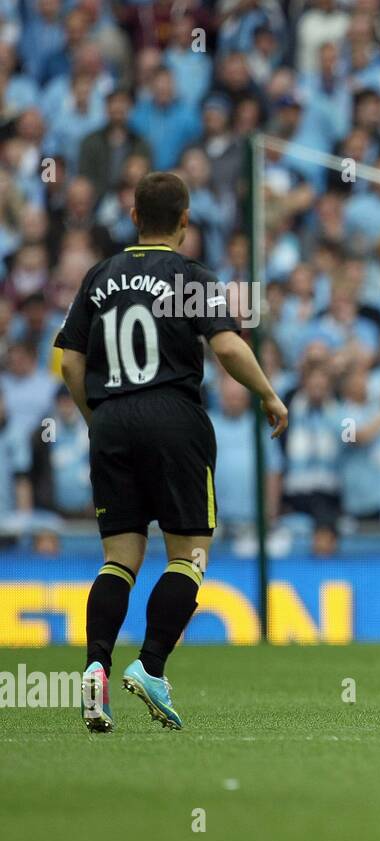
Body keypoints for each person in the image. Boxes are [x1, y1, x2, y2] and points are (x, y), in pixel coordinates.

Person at [56, 171, 288, 733]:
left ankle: (95, 667)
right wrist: (268, 394)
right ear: (186, 222)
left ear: (134, 218)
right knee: (188, 556)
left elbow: (67, 362)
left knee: (119, 560)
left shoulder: (99, 275)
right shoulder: (191, 278)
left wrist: (99, 419)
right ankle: (152, 665)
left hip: (111, 422)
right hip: (173, 418)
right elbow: (229, 345)